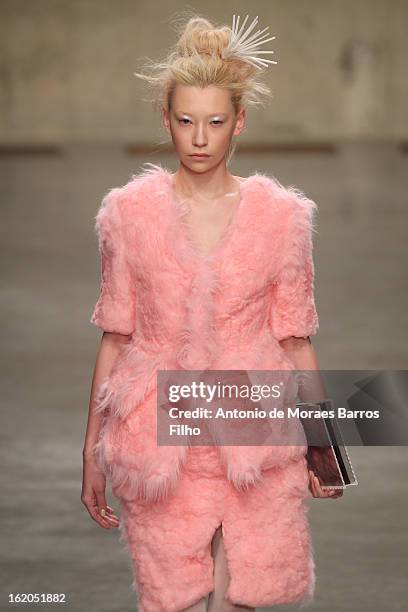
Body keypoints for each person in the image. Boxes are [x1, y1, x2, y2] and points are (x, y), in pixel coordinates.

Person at [81, 13, 343, 612]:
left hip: (255, 427)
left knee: (242, 599)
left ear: (239, 122)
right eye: (186, 121)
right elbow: (115, 338)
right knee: (171, 601)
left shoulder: (281, 218)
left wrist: (325, 449)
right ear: (166, 120)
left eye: (216, 122)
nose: (200, 139)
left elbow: (296, 339)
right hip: (156, 439)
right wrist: (93, 455)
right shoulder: (128, 214)